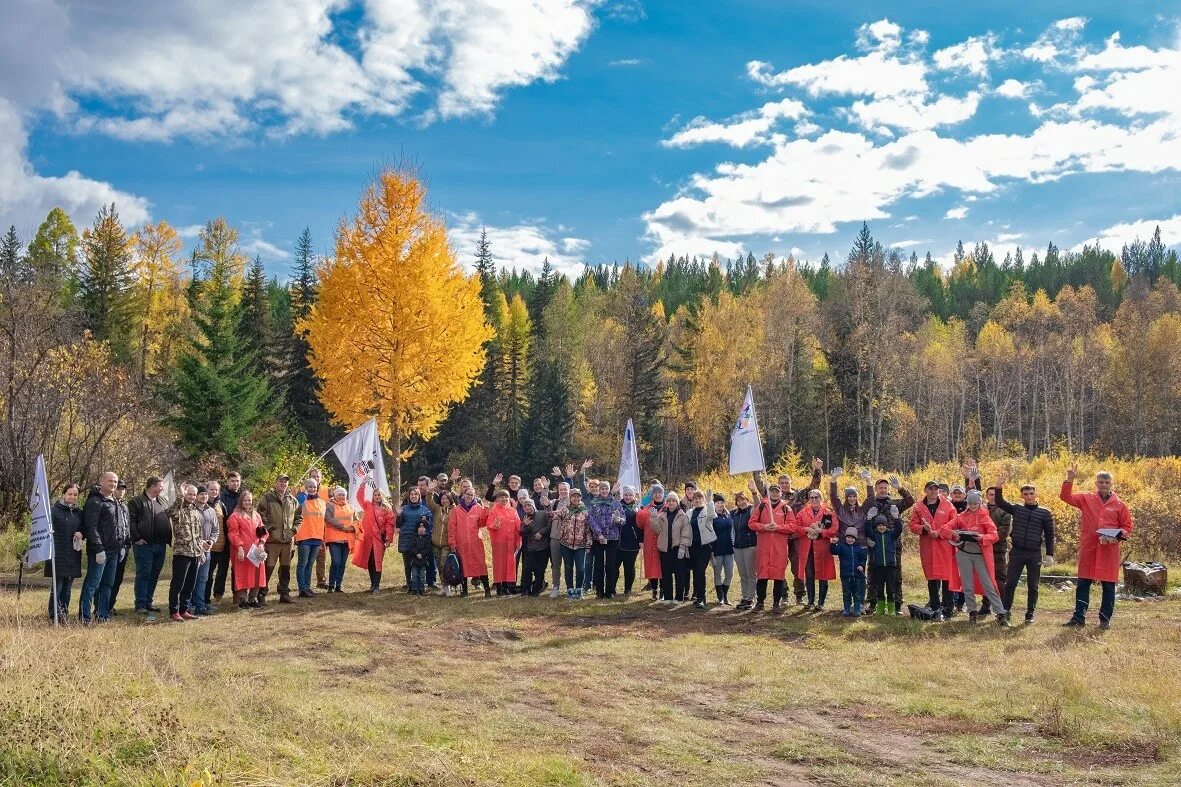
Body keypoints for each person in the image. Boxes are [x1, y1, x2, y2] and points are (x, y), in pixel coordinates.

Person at [1061, 466, 1133, 630]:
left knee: (1108, 586)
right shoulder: (1086, 498)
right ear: (1096, 483)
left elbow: (1127, 527)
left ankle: (1104, 620)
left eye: (1106, 482)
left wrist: (1115, 537)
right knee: (1083, 584)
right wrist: (1070, 479)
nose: (1103, 484)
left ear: (1111, 483)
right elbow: (1065, 497)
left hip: (1109, 551)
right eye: (1100, 482)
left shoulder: (1119, 505)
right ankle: (1078, 618)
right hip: (1089, 549)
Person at [941, 490, 1008, 626]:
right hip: (964, 553)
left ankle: (1000, 613)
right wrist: (955, 534)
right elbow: (944, 529)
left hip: (980, 555)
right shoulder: (960, 516)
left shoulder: (985, 516)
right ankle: (972, 613)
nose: (972, 505)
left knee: (988, 585)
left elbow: (994, 535)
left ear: (980, 503)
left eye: (975, 503)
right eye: (970, 503)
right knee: (967, 585)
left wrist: (982, 537)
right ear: (967, 502)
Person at [993, 479, 1055, 624]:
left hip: (1034, 553)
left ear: (1035, 494)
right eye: (1026, 494)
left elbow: (1050, 534)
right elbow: (1000, 502)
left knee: (1033, 585)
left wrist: (1049, 554)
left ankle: (1030, 613)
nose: (1029, 496)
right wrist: (998, 488)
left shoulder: (1045, 513)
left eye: (1031, 493)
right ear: (1021, 495)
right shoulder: (1017, 509)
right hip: (1017, 552)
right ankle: (1005, 611)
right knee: (1011, 583)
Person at [860, 472, 914, 614]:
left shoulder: (895, 503)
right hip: (875, 545)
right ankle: (872, 603)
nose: (883, 490)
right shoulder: (871, 504)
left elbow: (910, 501)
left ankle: (896, 604)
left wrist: (900, 488)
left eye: (885, 487)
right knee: (873, 574)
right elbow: (864, 522)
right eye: (880, 488)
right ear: (876, 489)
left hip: (892, 545)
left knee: (895, 576)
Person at [908, 481, 958, 621]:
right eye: (930, 489)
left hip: (945, 546)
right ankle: (935, 607)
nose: (933, 491)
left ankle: (948, 609)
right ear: (925, 490)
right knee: (932, 578)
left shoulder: (948, 505)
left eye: (936, 489)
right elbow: (912, 525)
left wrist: (940, 532)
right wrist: (924, 529)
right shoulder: (919, 506)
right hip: (928, 546)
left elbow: (954, 521)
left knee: (947, 578)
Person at [746, 473, 793, 613]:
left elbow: (792, 526)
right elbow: (751, 523)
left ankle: (776, 604)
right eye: (772, 491)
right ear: (769, 493)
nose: (774, 494)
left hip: (779, 548)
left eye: (777, 492)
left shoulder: (786, 508)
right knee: (762, 575)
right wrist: (764, 527)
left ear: (780, 493)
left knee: (779, 576)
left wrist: (778, 527)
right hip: (764, 548)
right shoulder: (761, 506)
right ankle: (760, 603)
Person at [79, 472, 120, 624]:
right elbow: (91, 527)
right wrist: (98, 548)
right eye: (110, 481)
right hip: (99, 551)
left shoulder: (114, 501)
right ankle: (85, 616)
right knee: (92, 584)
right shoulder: (94, 501)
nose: (113, 484)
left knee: (108, 584)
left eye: (115, 481)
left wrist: (121, 545)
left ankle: (102, 615)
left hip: (114, 551)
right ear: (102, 481)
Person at [128, 476, 171, 615]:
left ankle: (148, 602)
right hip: (144, 545)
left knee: (154, 574)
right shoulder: (136, 501)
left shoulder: (162, 501)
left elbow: (171, 514)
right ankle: (140, 604)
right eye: (160, 486)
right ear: (152, 486)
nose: (162, 489)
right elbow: (131, 521)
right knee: (144, 573)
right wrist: (137, 538)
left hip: (160, 545)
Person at [258, 474, 301, 604]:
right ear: (276, 482)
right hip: (272, 541)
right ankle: (261, 594)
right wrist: (270, 529)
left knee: (285, 569)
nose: (283, 484)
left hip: (288, 541)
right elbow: (260, 515)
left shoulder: (293, 500)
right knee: (268, 568)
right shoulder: (267, 498)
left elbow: (299, 517)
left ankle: (284, 593)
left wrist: (295, 529)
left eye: (285, 482)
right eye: (281, 481)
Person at [792, 491, 838, 611]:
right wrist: (806, 529)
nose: (813, 499)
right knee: (809, 575)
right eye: (811, 497)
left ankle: (821, 603)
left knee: (823, 575)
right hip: (807, 549)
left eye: (816, 497)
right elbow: (795, 528)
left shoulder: (828, 513)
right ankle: (810, 601)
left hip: (823, 549)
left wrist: (821, 532)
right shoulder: (802, 513)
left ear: (821, 498)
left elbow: (834, 529)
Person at [46, 483, 83, 624]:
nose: (72, 497)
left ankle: (63, 614)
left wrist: (82, 533)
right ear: (63, 494)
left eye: (75, 494)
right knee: (57, 587)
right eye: (69, 494)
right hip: (58, 554)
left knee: (67, 589)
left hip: (73, 554)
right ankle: (53, 615)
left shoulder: (79, 512)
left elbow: (83, 528)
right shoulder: (53, 511)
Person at [167, 483, 205, 622]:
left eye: (194, 495)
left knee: (190, 584)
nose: (192, 497)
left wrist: (201, 551)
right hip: (182, 553)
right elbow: (169, 512)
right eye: (189, 494)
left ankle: (184, 609)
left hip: (195, 553)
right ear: (185, 494)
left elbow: (199, 534)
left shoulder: (196, 511)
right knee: (178, 583)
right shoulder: (178, 509)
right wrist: (180, 496)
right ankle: (174, 610)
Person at [448, 482, 491, 598]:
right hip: (461, 543)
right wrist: (452, 542)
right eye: (467, 494)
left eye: (471, 495)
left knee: (481, 565)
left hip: (475, 542)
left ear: (474, 496)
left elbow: (483, 523)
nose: (469, 497)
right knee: (463, 566)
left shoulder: (478, 508)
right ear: (463, 495)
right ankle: (465, 591)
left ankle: (487, 589)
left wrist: (486, 510)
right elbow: (452, 527)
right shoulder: (457, 510)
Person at [226, 490, 267, 608]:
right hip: (242, 551)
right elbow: (233, 534)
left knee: (257, 574)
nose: (248, 502)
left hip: (256, 551)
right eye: (245, 500)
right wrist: (239, 547)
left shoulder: (257, 515)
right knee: (242, 574)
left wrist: (261, 543)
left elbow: (263, 532)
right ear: (241, 501)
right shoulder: (235, 516)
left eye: (250, 500)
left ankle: (252, 599)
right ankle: (242, 599)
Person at [353, 483, 397, 593]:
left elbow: (389, 525)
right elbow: (359, 497)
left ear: (382, 496)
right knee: (369, 561)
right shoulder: (368, 505)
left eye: (379, 495)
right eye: (375, 495)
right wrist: (362, 484)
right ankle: (372, 584)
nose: (377, 497)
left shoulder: (387, 509)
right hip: (367, 539)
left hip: (379, 539)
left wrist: (388, 539)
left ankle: (377, 585)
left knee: (377, 561)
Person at [648, 492, 690, 604]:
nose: (671, 503)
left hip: (678, 549)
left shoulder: (683, 515)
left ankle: (679, 598)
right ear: (666, 503)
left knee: (679, 574)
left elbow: (686, 533)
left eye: (673, 501)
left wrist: (682, 547)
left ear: (677, 502)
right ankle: (668, 597)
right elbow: (656, 530)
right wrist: (653, 518)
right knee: (666, 574)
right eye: (669, 501)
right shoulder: (661, 515)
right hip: (664, 549)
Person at [588, 479, 624, 599]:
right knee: (598, 565)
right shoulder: (594, 502)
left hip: (613, 538)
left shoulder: (616, 503)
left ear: (609, 490)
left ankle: (610, 590)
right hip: (599, 539)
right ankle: (599, 591)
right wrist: (599, 534)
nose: (604, 490)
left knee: (611, 565)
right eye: (602, 488)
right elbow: (591, 519)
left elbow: (623, 519)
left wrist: (619, 520)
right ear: (600, 489)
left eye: (606, 488)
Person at [555, 487, 593, 600]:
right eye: (573, 496)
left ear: (580, 497)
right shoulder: (565, 509)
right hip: (565, 544)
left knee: (581, 568)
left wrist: (589, 544)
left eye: (578, 496)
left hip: (581, 545)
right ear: (570, 497)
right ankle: (570, 590)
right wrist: (547, 506)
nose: (576, 498)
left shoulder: (585, 511)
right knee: (568, 567)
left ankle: (579, 590)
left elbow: (588, 529)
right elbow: (553, 516)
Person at [980, 484, 1012, 616]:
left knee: (999, 578)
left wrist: (986, 539)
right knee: (985, 578)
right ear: (987, 496)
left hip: (998, 549)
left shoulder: (1005, 510)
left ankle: (1001, 607)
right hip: (982, 549)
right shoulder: (981, 509)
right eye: (991, 494)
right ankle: (985, 605)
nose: (993, 497)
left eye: (995, 494)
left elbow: (1003, 532)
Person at [188, 485, 220, 615]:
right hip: (193, 549)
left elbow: (215, 529)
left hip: (207, 550)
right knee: (191, 578)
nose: (204, 496)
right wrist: (200, 542)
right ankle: (188, 605)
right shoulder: (190, 509)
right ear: (196, 496)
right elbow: (188, 529)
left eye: (206, 495)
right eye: (201, 494)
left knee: (203, 578)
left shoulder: (211, 511)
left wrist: (211, 541)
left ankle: (200, 605)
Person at [685, 489, 718, 609]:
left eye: (700, 498)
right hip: (692, 546)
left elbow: (712, 515)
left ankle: (701, 598)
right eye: (695, 499)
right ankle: (697, 596)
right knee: (695, 571)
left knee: (700, 571)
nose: (697, 500)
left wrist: (710, 501)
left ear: (703, 499)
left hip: (705, 546)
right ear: (692, 501)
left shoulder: (706, 510)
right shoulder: (689, 512)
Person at [294, 478, 326, 598]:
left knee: (310, 563)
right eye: (310, 487)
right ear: (305, 487)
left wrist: (323, 538)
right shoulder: (302, 500)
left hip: (317, 537)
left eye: (314, 487)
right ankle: (302, 589)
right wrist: (301, 495)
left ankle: (307, 587)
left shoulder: (322, 502)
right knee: (303, 563)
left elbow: (322, 521)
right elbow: (296, 508)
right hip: (304, 536)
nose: (312, 489)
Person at [486, 489, 522, 596]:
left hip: (511, 542)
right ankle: (499, 587)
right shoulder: (494, 510)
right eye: (501, 497)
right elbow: (489, 525)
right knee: (499, 564)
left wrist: (519, 541)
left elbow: (518, 528)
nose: (504, 499)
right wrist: (495, 525)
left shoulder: (513, 511)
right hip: (498, 542)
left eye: (506, 497)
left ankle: (507, 586)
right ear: (497, 498)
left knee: (509, 565)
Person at [865, 512, 902, 615]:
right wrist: (868, 519)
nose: (881, 527)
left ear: (886, 525)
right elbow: (867, 531)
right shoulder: (874, 535)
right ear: (876, 526)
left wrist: (896, 518)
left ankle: (891, 609)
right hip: (878, 566)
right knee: (879, 587)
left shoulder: (891, 535)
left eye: (883, 525)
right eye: (879, 525)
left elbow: (899, 529)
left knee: (891, 588)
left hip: (890, 566)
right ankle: (881, 608)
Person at [397, 487, 433, 589]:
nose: (413, 496)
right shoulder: (403, 509)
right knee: (408, 563)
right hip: (406, 538)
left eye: (415, 494)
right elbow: (398, 524)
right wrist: (399, 515)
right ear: (409, 496)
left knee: (421, 562)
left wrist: (425, 520)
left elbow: (429, 525)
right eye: (411, 494)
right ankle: (410, 584)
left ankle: (421, 584)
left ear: (419, 496)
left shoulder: (424, 509)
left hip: (420, 540)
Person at [324, 486, 357, 593]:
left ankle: (338, 585)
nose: (342, 496)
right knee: (336, 562)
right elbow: (328, 519)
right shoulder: (330, 505)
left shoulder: (350, 506)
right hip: (334, 539)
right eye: (339, 494)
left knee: (342, 563)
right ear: (335, 495)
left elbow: (356, 519)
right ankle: (330, 585)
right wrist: (343, 527)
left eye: (343, 494)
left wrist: (354, 527)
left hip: (347, 539)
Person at [302, 468, 331, 590]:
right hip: (307, 531)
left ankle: (321, 580)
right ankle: (303, 584)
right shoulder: (303, 491)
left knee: (321, 556)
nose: (315, 478)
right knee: (305, 561)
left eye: (317, 476)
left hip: (322, 529)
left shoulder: (327, 491)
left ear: (321, 478)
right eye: (313, 476)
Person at [830, 527, 869, 617]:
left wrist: (861, 566)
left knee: (856, 593)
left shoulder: (859, 548)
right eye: (848, 537)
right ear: (845, 537)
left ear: (855, 539)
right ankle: (847, 609)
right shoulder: (841, 546)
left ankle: (857, 610)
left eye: (852, 538)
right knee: (846, 592)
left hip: (856, 575)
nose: (850, 539)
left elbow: (862, 559)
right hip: (845, 574)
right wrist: (833, 544)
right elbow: (833, 551)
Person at [636, 484, 665, 600]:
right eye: (655, 493)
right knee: (652, 567)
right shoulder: (647, 508)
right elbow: (640, 525)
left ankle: (663, 591)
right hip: (650, 541)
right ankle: (654, 591)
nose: (658, 495)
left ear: (663, 494)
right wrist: (638, 513)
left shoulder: (668, 507)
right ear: (652, 495)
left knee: (663, 567)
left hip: (663, 541)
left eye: (660, 493)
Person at [106, 480, 131, 615]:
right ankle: (103, 605)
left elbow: (127, 527)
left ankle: (111, 605)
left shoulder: (124, 507)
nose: (121, 491)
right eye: (118, 488)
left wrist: (128, 543)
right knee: (109, 579)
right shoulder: (109, 504)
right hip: (111, 547)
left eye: (123, 489)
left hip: (123, 547)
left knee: (118, 578)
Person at [519, 497, 552, 596]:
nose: (527, 507)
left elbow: (550, 525)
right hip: (530, 548)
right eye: (525, 506)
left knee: (540, 570)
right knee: (527, 569)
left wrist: (541, 533)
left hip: (543, 547)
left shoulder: (542, 514)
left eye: (529, 505)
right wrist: (525, 525)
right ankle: (526, 589)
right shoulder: (524, 518)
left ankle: (536, 590)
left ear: (533, 505)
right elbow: (522, 533)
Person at [206, 478, 231, 605]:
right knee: (208, 574)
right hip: (208, 546)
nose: (214, 491)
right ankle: (205, 598)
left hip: (223, 545)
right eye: (211, 489)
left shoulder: (221, 505)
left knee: (222, 572)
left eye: (216, 489)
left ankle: (218, 595)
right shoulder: (202, 505)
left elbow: (226, 525)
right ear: (207, 490)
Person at [730, 490, 756, 611]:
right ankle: (745, 597)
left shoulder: (751, 510)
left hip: (750, 547)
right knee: (742, 575)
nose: (741, 502)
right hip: (738, 547)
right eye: (739, 500)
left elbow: (758, 504)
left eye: (743, 499)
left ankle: (751, 599)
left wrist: (754, 492)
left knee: (750, 574)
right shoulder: (735, 514)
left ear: (747, 499)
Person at [547, 481, 573, 599]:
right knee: (555, 564)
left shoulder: (574, 502)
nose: (563, 491)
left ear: (569, 490)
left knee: (569, 564)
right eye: (561, 489)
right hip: (555, 537)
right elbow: (547, 508)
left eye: (565, 489)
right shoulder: (554, 502)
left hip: (569, 538)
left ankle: (570, 587)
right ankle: (556, 587)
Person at [615, 486, 643, 596]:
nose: (628, 497)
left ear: (634, 496)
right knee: (615, 566)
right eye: (626, 495)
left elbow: (641, 526)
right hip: (618, 541)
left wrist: (641, 540)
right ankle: (612, 588)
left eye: (630, 495)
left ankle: (628, 589)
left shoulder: (638, 507)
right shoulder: (617, 505)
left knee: (629, 567)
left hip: (633, 541)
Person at [408, 522, 432, 595]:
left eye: (423, 527)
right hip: (414, 560)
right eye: (420, 527)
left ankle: (421, 589)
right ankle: (414, 589)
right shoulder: (413, 537)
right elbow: (411, 547)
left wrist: (422, 554)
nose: (421, 529)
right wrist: (416, 554)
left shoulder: (427, 538)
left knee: (422, 575)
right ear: (417, 528)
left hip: (424, 559)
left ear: (425, 529)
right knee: (414, 575)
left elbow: (428, 548)